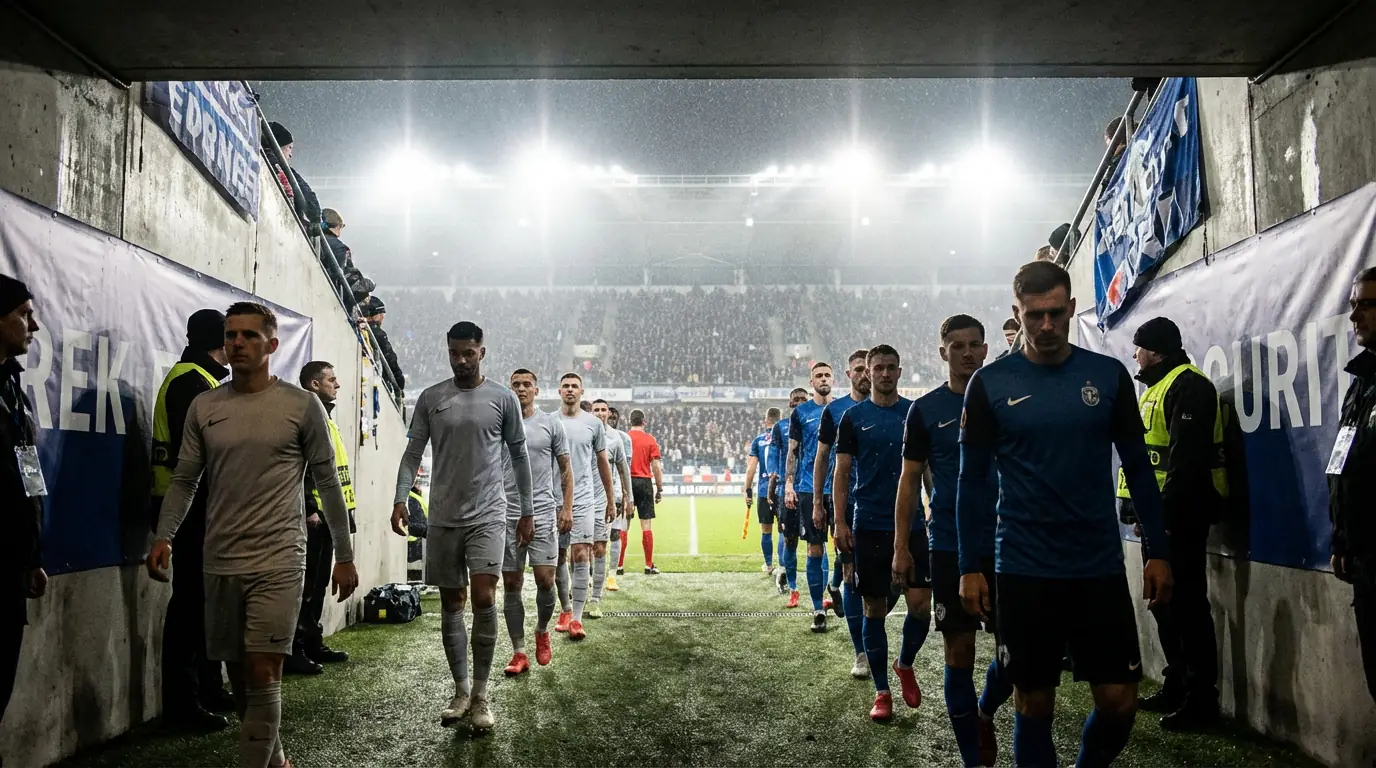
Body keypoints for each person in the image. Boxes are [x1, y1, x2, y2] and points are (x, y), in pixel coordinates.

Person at [956, 261, 1173, 768]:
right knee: (1034, 703)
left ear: (1072, 309)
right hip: (1024, 568)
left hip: (1097, 566)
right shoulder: (989, 385)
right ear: (1018, 313)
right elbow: (972, 483)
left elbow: (1139, 470)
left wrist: (1159, 552)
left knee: (1120, 702)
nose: (1047, 326)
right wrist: (970, 564)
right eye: (1035, 316)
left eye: (1056, 314)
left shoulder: (1108, 376)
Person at [148, 301, 360, 768]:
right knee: (241, 674)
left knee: (265, 667)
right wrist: (165, 535)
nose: (237, 343)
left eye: (248, 335)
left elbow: (326, 483)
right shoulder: (205, 406)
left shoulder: (300, 405)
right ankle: (276, 757)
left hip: (281, 557)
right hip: (219, 557)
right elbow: (185, 480)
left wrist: (344, 554)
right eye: (231, 335)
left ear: (272, 344)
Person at [390, 320, 534, 731]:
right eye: (454, 353)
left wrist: (526, 510)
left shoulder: (502, 398)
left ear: (482, 352)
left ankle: (483, 697)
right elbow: (413, 450)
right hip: (443, 515)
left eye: (468, 352)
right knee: (453, 603)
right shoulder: (432, 397)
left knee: (485, 597)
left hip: (489, 513)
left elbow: (519, 457)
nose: (461, 360)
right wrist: (401, 497)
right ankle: (461, 690)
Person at [899, 315, 1009, 766]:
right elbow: (908, 481)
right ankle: (971, 760)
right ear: (942, 352)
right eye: (956, 345)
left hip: (1007, 541)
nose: (967, 352)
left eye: (974, 345)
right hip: (947, 543)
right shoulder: (923, 410)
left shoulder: (1006, 400)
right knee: (959, 650)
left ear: (985, 350)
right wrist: (900, 545)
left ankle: (984, 711)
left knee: (1015, 657)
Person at [1117, 317, 1226, 730]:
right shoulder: (1157, 388)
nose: (1135, 355)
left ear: (1157, 351)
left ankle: (1202, 699)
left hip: (1179, 520)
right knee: (1165, 605)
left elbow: (1185, 463)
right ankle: (1177, 682)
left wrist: (1162, 520)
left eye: (1139, 348)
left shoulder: (1190, 385)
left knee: (1187, 607)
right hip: (1156, 520)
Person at [833, 345, 927, 721]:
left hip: (914, 523)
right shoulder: (853, 418)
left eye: (891, 368)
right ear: (867, 373)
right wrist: (840, 522)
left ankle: (904, 663)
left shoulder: (913, 413)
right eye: (878, 369)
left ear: (900, 372)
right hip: (869, 523)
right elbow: (841, 472)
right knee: (874, 608)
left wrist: (935, 505)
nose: (885, 374)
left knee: (921, 606)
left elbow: (928, 468)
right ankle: (882, 692)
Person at [150, 308, 233, 729]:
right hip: (187, 510)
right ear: (221, 342)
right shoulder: (192, 384)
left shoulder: (198, 380)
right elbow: (196, 461)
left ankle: (206, 689)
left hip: (195, 508)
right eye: (233, 337)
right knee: (189, 607)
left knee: (203, 605)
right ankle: (184, 703)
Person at [502, 369, 574, 674]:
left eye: (526, 385)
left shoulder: (550, 423)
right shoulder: (499, 424)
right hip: (506, 514)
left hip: (544, 513)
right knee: (511, 584)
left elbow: (566, 469)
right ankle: (519, 652)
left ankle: (542, 630)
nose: (520, 389)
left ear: (537, 390)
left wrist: (566, 507)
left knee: (546, 580)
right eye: (515, 385)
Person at [0, 276, 46, 735]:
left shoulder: (14, 391)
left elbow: (29, 475)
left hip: (12, 564)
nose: (34, 325)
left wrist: (33, 556)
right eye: (23, 315)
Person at [292, 362, 358, 674]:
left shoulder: (326, 417)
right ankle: (295, 648)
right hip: (314, 518)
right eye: (332, 379)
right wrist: (308, 508)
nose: (338, 384)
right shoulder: (307, 415)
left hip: (329, 517)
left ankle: (311, 641)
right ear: (315, 384)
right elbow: (300, 468)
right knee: (305, 589)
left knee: (317, 588)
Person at [1332, 266, 1376, 712]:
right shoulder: (1361, 383)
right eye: (1352, 305)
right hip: (1364, 558)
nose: (1354, 316)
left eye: (1365, 304)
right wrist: (1342, 539)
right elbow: (1345, 466)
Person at [815, 350, 871, 673]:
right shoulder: (835, 412)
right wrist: (818, 504)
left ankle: (835, 587)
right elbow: (823, 458)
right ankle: (861, 652)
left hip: (881, 504)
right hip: (846, 505)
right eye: (858, 369)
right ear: (849, 375)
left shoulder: (890, 409)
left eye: (868, 368)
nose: (865, 374)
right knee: (851, 576)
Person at [555, 375, 614, 639]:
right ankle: (565, 608)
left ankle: (576, 619)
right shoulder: (550, 421)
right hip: (553, 499)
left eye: (574, 386)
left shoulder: (592, 424)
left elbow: (603, 464)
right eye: (565, 386)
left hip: (584, 499)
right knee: (556, 558)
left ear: (581, 391)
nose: (570, 390)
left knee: (581, 554)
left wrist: (611, 499)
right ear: (559, 391)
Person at [784, 362, 835, 624]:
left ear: (833, 380)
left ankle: (835, 587)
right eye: (819, 376)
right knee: (815, 548)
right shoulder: (801, 413)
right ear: (812, 381)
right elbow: (793, 450)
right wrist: (789, 484)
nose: (823, 379)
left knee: (845, 546)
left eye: (827, 375)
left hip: (840, 488)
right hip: (808, 488)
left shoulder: (844, 408)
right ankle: (818, 609)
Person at [590, 399, 631, 616]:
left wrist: (627, 496)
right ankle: (581, 583)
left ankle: (609, 577)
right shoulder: (583, 433)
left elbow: (624, 469)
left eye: (603, 410)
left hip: (611, 498)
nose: (600, 413)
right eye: (595, 409)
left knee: (607, 540)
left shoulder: (619, 439)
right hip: (583, 499)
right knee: (578, 548)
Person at [769, 388, 810, 594]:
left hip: (810, 488)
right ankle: (786, 577)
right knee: (788, 537)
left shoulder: (817, 423)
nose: (800, 402)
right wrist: (776, 482)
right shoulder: (780, 427)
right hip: (787, 490)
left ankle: (821, 590)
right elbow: (775, 456)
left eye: (804, 399)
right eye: (796, 399)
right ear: (790, 403)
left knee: (815, 541)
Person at [746, 408, 783, 576]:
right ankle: (783, 565)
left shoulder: (758, 440)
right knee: (784, 530)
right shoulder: (786, 437)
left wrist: (748, 490)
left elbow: (751, 469)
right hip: (782, 490)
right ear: (780, 420)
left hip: (763, 491)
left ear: (765, 421)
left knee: (766, 530)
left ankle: (769, 566)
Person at [627, 409, 664, 575]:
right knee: (646, 525)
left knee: (623, 524)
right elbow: (656, 466)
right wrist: (659, 488)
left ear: (630, 421)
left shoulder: (624, 438)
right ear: (644, 422)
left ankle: (619, 566)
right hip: (644, 481)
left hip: (627, 482)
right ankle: (648, 565)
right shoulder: (650, 440)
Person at [264, 122, 321, 229]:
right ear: (278, 145)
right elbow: (306, 192)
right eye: (289, 147)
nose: (291, 154)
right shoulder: (284, 170)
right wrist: (315, 217)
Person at [606, 407, 636, 586]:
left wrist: (627, 495)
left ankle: (612, 575)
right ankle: (593, 574)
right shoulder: (593, 434)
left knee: (616, 534)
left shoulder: (624, 439)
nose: (610, 419)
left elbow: (626, 470)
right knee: (593, 540)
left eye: (614, 417)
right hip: (595, 494)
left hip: (617, 493)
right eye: (608, 416)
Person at [359, 297, 405, 393]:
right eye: (380, 314)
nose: (382, 317)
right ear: (373, 315)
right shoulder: (377, 333)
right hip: (374, 378)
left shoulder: (361, 327)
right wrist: (398, 377)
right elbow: (389, 357)